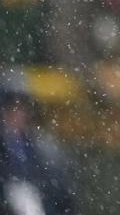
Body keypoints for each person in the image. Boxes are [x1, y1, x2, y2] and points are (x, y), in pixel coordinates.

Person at [0, 72, 77, 215]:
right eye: (11, 107)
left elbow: (63, 196)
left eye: (22, 107)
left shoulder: (47, 150)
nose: (17, 114)